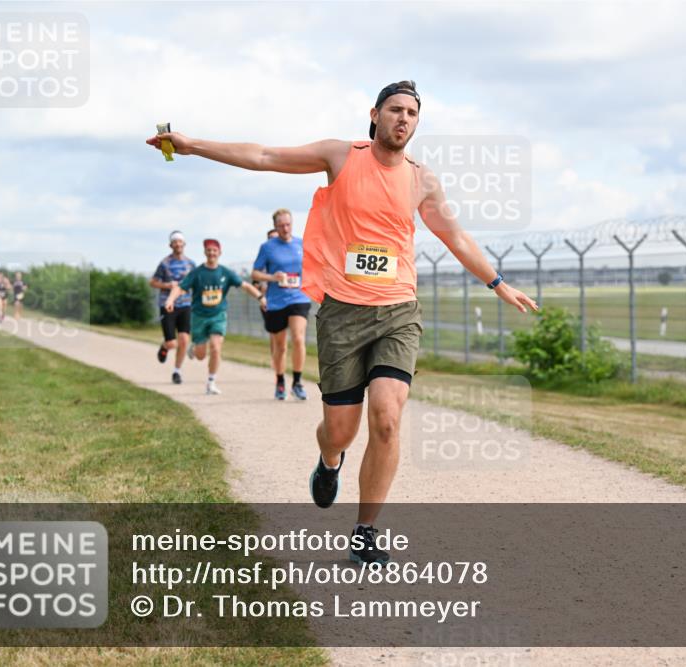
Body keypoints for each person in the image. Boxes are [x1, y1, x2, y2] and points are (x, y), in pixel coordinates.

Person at [147, 80, 537, 564]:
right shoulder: (340, 156)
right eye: (395, 110)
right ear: (374, 114)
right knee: (339, 430)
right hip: (341, 315)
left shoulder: (422, 180)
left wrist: (498, 283)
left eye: (412, 114)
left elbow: (454, 235)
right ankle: (330, 462)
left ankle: (366, 529)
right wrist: (192, 145)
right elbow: (266, 156)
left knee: (388, 419)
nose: (404, 119)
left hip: (398, 311)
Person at [164, 238, 265, 395]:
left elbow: (245, 286)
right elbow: (180, 288)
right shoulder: (197, 273)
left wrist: (260, 297)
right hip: (199, 317)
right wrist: (170, 299)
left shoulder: (225, 273)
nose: (212, 253)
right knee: (201, 355)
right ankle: (195, 348)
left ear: (219, 253)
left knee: (216, 348)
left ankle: (211, 382)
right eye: (209, 250)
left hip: (218, 315)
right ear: (205, 252)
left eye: (214, 250)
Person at [251, 208, 311, 400]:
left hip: (299, 298)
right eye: (281, 225)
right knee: (280, 346)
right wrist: (272, 277)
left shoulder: (302, 244)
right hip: (276, 302)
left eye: (288, 224)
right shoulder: (268, 247)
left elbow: (312, 267)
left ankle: (297, 382)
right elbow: (255, 274)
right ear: (275, 226)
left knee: (299, 338)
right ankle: (280, 382)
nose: (285, 229)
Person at [150, 231, 197, 384]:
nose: (177, 244)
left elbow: (196, 282)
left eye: (180, 242)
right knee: (172, 343)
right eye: (175, 242)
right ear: (171, 245)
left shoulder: (191, 264)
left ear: (184, 244)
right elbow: (153, 282)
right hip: (168, 305)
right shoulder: (165, 263)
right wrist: (167, 285)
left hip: (185, 304)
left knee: (184, 340)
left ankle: (177, 371)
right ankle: (164, 346)